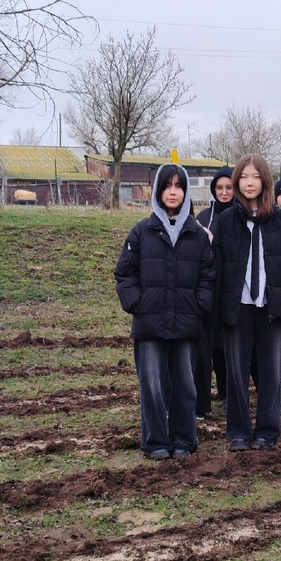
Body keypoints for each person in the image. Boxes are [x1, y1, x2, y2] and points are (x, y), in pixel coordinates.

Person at [114, 163, 215, 460]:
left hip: (186, 323)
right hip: (150, 324)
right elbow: (125, 273)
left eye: (179, 186)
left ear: (185, 193)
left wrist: (198, 306)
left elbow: (208, 277)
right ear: (158, 191)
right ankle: (155, 441)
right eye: (167, 186)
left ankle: (184, 439)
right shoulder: (141, 231)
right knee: (153, 385)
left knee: (185, 385)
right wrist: (137, 304)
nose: (173, 192)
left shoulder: (197, 235)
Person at [210, 154, 281, 450]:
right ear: (237, 181)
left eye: (256, 176)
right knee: (236, 372)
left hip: (270, 308)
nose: (250, 183)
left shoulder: (279, 220)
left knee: (272, 371)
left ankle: (267, 430)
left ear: (265, 181)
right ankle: (238, 431)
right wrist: (217, 310)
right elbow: (217, 268)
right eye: (244, 177)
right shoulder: (226, 221)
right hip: (238, 308)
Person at [193, 167, 234, 417]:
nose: (224, 192)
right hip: (209, 286)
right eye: (219, 188)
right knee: (208, 344)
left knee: (228, 344)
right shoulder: (203, 216)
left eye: (229, 188)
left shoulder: (242, 216)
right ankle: (208, 399)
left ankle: (229, 393)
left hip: (232, 287)